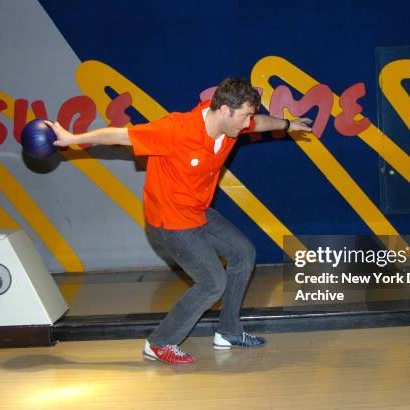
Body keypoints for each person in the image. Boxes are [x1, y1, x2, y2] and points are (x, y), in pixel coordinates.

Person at [46, 77, 312, 365]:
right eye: (244, 115)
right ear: (224, 110)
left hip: (197, 210)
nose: (248, 122)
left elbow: (259, 123)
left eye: (249, 115)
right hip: (169, 220)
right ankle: (160, 343)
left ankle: (228, 331)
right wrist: (72, 140)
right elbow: (120, 136)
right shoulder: (176, 129)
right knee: (212, 282)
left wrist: (288, 125)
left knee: (244, 253)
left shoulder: (232, 124)